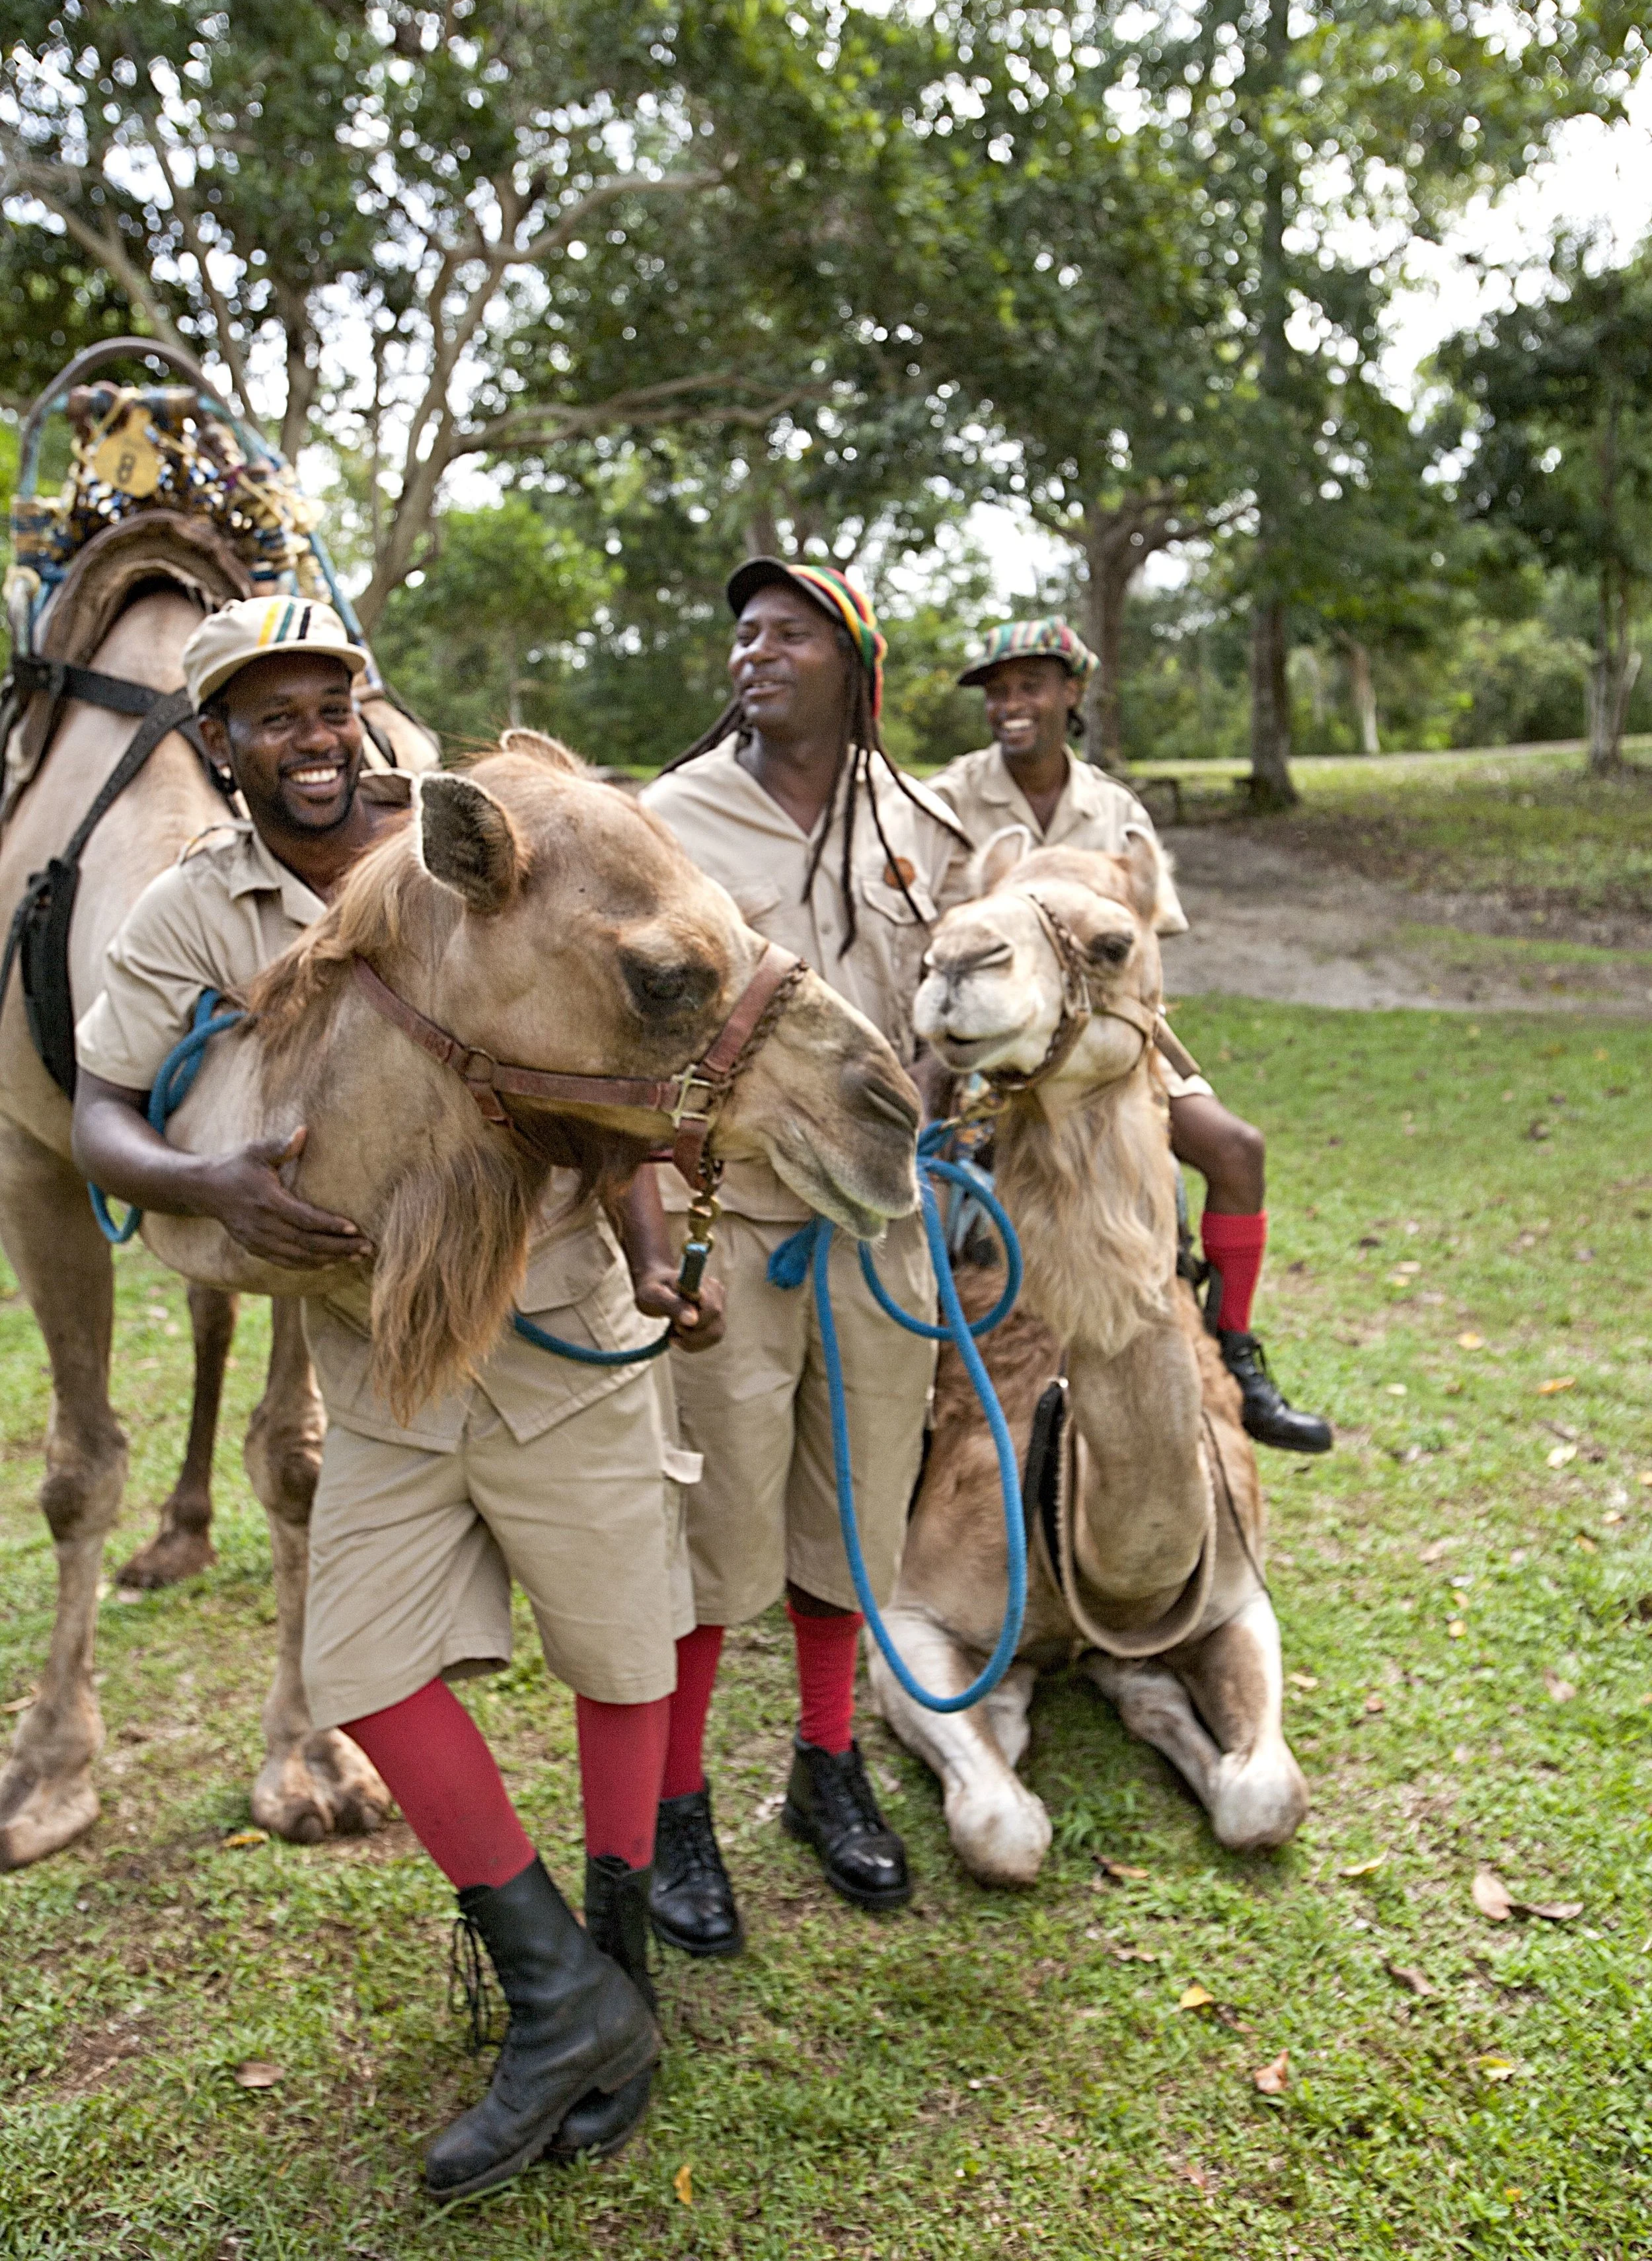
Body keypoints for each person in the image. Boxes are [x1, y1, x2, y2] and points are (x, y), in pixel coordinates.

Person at [70, 596, 722, 2200]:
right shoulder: (183, 910)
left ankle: (610, 1966)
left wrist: (649, 1236)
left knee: (623, 1643)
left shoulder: (481, 842)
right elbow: (95, 1106)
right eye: (265, 715)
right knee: (362, 1666)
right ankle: (565, 1989)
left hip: (559, 1311)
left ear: (363, 709)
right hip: (376, 1349)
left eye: (326, 704)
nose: (307, 737)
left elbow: (626, 1059)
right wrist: (202, 1172)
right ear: (213, 742)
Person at [640, 560, 972, 1953]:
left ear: (854, 662)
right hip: (736, 1213)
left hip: (883, 1229)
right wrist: (662, 1231)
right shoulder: (664, 821)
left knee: (854, 1509)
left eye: (787, 633)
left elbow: (957, 1005)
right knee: (716, 1529)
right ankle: (675, 1807)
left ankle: (824, 1769)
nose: (753, 653)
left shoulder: (923, 825)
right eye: (741, 633)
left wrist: (950, 1082)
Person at [930, 616, 1332, 1456]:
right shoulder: (945, 800)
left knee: (1231, 1150)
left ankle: (1232, 1348)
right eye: (998, 691)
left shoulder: (1112, 808)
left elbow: (1149, 944)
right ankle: (920, 1399)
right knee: (919, 1195)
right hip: (994, 1038)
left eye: (1031, 686)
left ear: (1071, 692)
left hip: (1097, 1039)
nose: (1012, 705)